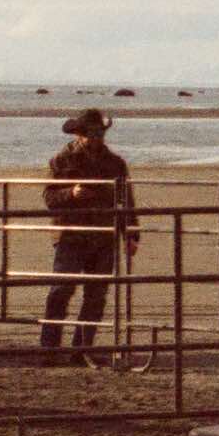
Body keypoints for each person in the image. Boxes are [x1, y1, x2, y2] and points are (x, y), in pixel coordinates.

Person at [40, 109, 138, 363]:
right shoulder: (62, 160)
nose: (96, 138)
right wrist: (71, 193)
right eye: (91, 133)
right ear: (79, 134)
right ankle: (49, 350)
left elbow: (126, 199)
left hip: (104, 235)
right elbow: (50, 199)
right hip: (71, 234)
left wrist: (131, 233)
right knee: (61, 290)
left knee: (96, 295)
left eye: (99, 133)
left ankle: (81, 350)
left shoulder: (115, 163)